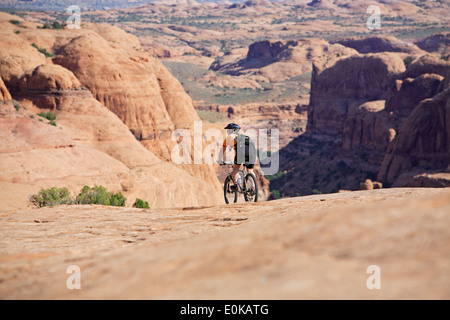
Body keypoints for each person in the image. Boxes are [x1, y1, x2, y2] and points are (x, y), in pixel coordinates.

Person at [222, 123, 256, 191]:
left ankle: (235, 185)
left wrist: (222, 160)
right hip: (252, 152)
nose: (227, 132)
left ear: (232, 131)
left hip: (241, 153)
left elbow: (223, 150)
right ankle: (254, 187)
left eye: (228, 130)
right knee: (250, 170)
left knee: (235, 168)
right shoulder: (244, 136)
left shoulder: (228, 138)